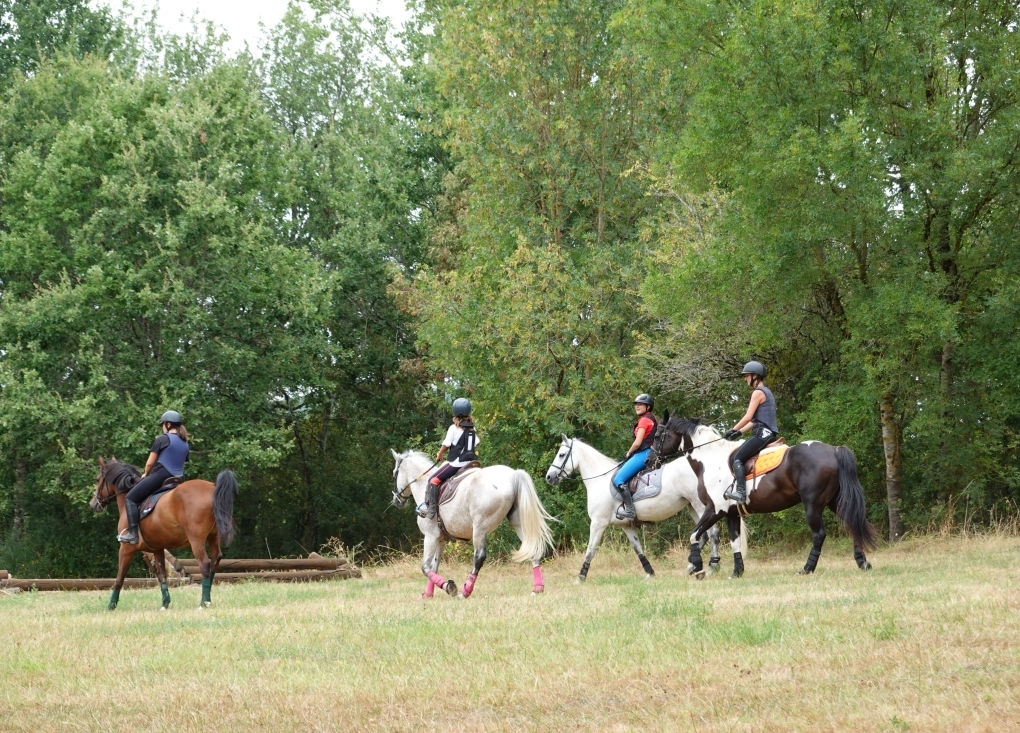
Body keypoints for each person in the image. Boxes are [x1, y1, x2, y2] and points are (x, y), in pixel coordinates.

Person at [117, 410, 190, 544]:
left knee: (130, 498)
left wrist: (146, 474)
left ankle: (133, 534)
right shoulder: (185, 442)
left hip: (161, 475)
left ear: (168, 424)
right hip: (179, 479)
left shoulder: (162, 439)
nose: (162, 428)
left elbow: (150, 463)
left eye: (162, 425)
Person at [723, 361, 779, 504]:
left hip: (762, 434)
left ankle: (741, 493)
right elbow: (754, 420)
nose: (745, 378)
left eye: (747, 376)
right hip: (766, 432)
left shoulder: (758, 393)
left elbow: (748, 416)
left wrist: (732, 429)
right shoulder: (767, 392)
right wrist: (739, 433)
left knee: (737, 458)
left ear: (755, 376)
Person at [418, 398, 480, 519]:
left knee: (433, 480)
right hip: (471, 463)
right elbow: (475, 444)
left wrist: (440, 454)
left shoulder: (453, 428)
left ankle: (432, 510)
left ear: (455, 412)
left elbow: (446, 445)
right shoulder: (473, 428)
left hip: (457, 463)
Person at [613, 394, 658, 520]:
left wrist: (629, 452)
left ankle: (630, 511)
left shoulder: (644, 420)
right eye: (636, 404)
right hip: (647, 452)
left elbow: (638, 443)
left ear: (648, 407)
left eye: (640, 404)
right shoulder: (651, 419)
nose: (637, 406)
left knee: (619, 479)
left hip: (644, 453)